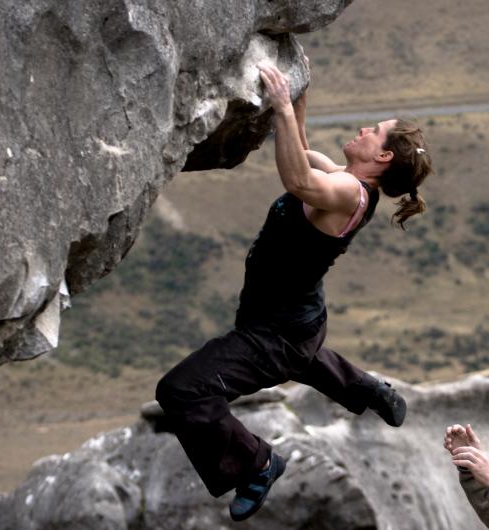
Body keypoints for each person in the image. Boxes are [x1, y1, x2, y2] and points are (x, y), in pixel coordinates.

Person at [155, 60, 434, 522]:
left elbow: (298, 180)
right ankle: (367, 389)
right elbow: (301, 153)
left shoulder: (349, 191)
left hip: (276, 332)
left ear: (382, 157)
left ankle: (257, 464)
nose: (365, 128)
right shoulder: (347, 180)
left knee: (182, 390)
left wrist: (283, 106)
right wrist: (299, 94)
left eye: (375, 131)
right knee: (300, 353)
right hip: (295, 318)